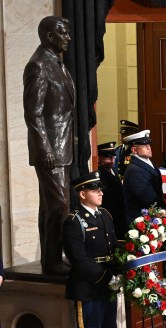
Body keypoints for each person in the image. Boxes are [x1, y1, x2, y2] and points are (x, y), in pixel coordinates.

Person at [62, 172, 132, 328]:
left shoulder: (105, 215)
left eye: (100, 189)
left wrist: (121, 269)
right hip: (88, 287)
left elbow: (113, 249)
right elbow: (79, 259)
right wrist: (104, 277)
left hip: (108, 285)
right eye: (95, 190)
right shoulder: (74, 221)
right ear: (83, 194)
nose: (101, 193)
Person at [23, 16, 75, 274]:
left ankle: (53, 257)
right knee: (58, 206)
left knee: (54, 205)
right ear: (49, 37)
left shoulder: (57, 63)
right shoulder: (39, 66)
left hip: (62, 146)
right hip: (51, 150)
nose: (68, 37)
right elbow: (33, 113)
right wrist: (44, 149)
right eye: (62, 33)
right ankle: (54, 261)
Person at [122, 130, 164, 223]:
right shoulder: (135, 170)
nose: (149, 147)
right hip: (142, 220)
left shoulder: (145, 163)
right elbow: (148, 199)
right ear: (134, 150)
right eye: (144, 145)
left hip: (151, 217)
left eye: (149, 144)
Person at [97, 142, 126, 239]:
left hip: (119, 213)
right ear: (99, 158)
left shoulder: (113, 170)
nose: (111, 160)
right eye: (107, 157)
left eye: (113, 157)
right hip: (110, 213)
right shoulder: (99, 174)